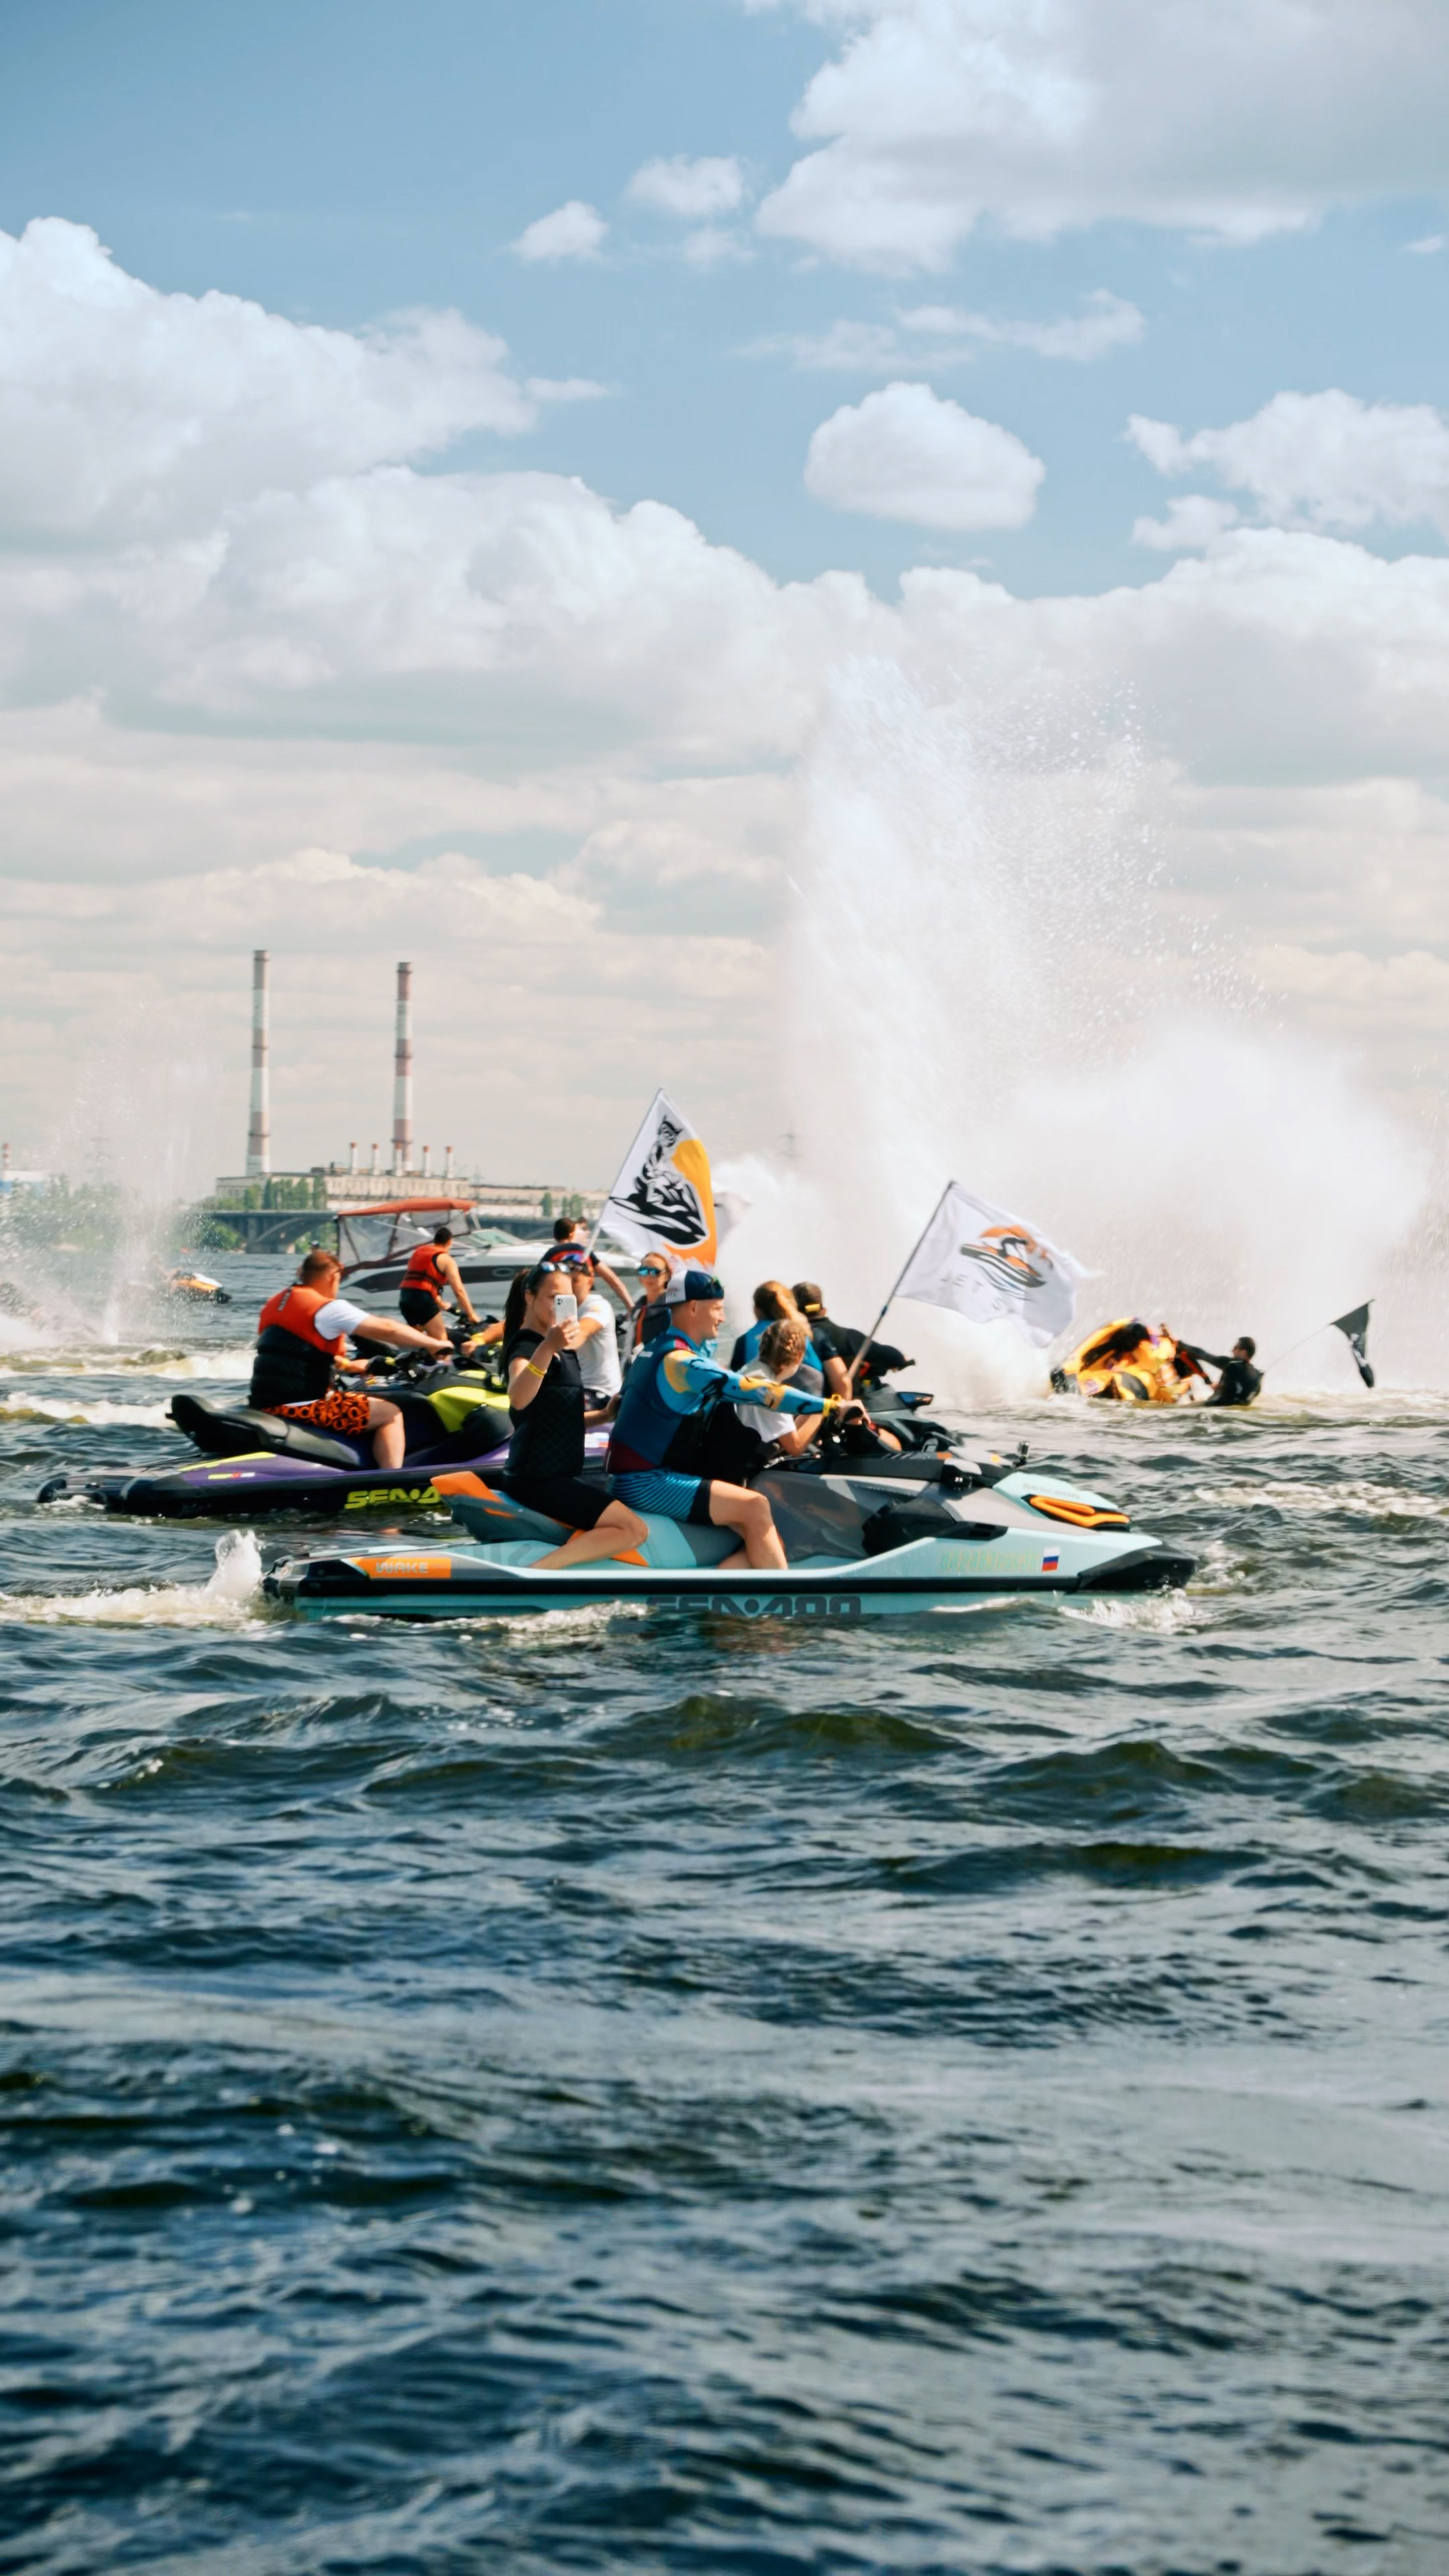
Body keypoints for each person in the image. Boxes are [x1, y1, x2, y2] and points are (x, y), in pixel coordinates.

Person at [607, 1268, 828, 1570]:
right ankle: (781, 1606)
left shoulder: (648, 1350)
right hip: (648, 1483)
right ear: (694, 1307)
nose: (722, 1318)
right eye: (718, 1309)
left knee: (768, 1538)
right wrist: (830, 1406)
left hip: (636, 1477)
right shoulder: (681, 1362)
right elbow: (756, 1391)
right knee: (756, 1506)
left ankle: (717, 1610)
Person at [503, 1260, 648, 1571]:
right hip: (538, 1478)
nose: (559, 1307)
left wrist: (605, 1415)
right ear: (529, 1298)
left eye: (566, 1299)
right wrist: (547, 1347)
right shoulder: (527, 1345)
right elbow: (519, 1397)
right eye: (552, 1298)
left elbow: (556, 1418)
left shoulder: (564, 1350)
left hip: (559, 1475)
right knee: (634, 1529)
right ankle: (538, 1574)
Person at [249, 1246, 448, 1468]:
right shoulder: (327, 1308)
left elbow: (293, 1353)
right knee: (390, 1413)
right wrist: (435, 1343)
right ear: (333, 1276)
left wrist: (353, 1366)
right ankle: (391, 1482)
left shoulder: (274, 1304)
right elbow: (388, 1329)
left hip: (267, 1403)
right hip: (305, 1405)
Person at [730, 1280, 849, 1397]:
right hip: (809, 1413)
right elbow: (842, 1382)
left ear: (756, 1309)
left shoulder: (744, 1341)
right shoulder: (810, 1335)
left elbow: (735, 1387)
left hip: (762, 1413)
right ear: (791, 1304)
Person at [792, 1283, 908, 1393]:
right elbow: (895, 1359)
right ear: (823, 1311)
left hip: (798, 1407)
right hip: (843, 1408)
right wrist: (902, 1359)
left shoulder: (787, 1338)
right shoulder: (849, 1337)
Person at [550, 1245, 623, 1407]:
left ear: (590, 1280)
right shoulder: (554, 1305)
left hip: (601, 1393)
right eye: (566, 1280)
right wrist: (483, 1338)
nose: (569, 1286)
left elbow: (579, 1334)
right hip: (572, 1386)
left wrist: (549, 1346)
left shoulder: (598, 1306)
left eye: (574, 1280)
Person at [398, 1226, 480, 1334]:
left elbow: (420, 1283)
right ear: (450, 1242)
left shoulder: (418, 1252)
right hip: (423, 1299)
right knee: (441, 1342)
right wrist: (471, 1314)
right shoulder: (447, 1260)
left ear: (435, 1240)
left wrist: (441, 1303)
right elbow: (459, 1291)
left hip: (405, 1297)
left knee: (418, 1338)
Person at [551, 1215, 631, 1316]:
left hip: (560, 1307)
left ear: (554, 1236)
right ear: (572, 1235)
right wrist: (630, 1306)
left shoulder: (550, 1255)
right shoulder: (583, 1252)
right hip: (586, 1304)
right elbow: (613, 1280)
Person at [1192, 1336, 1263, 1407]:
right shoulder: (1258, 1375)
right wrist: (1222, 1387)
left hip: (1215, 1409)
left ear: (1244, 1353)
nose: (1232, 1350)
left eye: (1235, 1348)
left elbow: (1202, 1354)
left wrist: (1182, 1344)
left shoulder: (1232, 1365)